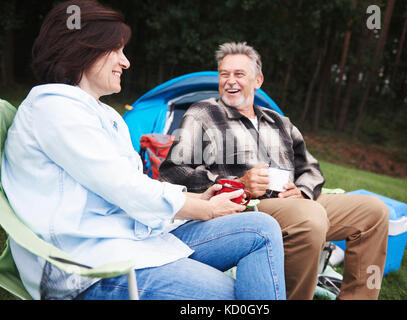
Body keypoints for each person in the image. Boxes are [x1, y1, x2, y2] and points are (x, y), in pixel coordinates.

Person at [1, 3, 286, 300]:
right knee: (230, 297)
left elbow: (131, 183)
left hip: (131, 240)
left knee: (262, 229)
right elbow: (124, 187)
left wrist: (196, 199)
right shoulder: (55, 109)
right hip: (89, 267)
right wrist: (204, 209)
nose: (126, 62)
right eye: (117, 50)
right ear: (85, 49)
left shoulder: (96, 111)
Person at [159, 42, 390, 300]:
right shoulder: (204, 113)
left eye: (239, 74)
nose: (230, 81)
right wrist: (239, 183)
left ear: (258, 80)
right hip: (246, 205)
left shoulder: (279, 121)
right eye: (224, 74)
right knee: (310, 217)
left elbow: (310, 168)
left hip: (292, 200)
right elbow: (172, 173)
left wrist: (302, 191)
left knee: (374, 211)